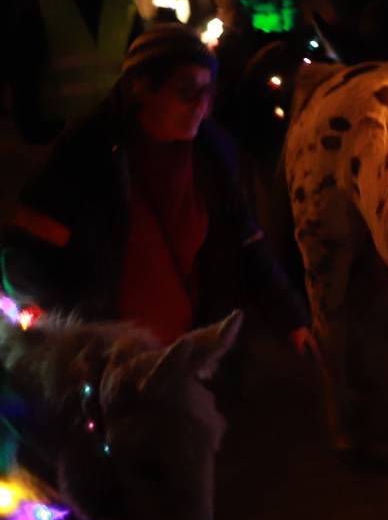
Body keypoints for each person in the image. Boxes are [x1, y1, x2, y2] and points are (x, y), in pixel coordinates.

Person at [1, 25, 314, 352]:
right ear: (140, 88)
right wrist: (69, 341)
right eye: (187, 90)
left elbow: (245, 240)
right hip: (111, 360)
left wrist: (291, 317)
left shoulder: (212, 156)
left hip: (188, 352)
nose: (201, 105)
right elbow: (26, 256)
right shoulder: (87, 156)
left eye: (207, 92)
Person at [14, 0, 140, 144]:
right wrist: (30, 126)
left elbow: (138, 65)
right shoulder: (41, 1)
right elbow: (25, 69)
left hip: (110, 126)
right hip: (59, 130)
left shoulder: (124, 4)